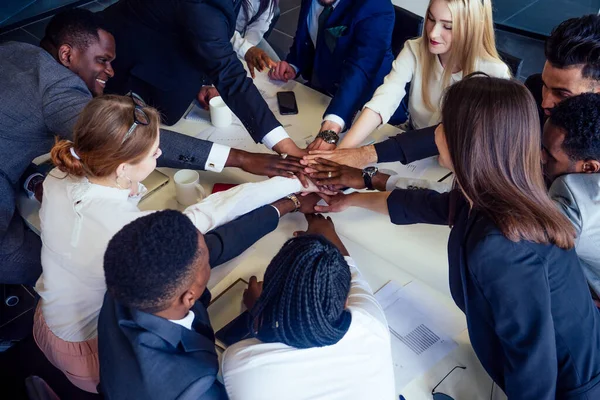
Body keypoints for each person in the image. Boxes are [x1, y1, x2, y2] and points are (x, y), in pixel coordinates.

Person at [312, 76, 600, 399]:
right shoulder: (492, 192)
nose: (436, 133)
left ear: (472, 144)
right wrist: (350, 197)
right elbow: (430, 205)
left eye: (446, 126)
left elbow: (533, 368)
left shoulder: (502, 247)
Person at [32, 94, 319, 393]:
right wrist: (299, 181)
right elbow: (212, 211)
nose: (160, 154)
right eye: (154, 152)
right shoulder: (130, 231)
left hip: (47, 318)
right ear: (122, 168)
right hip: (90, 348)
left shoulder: (58, 175)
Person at [0, 9, 307, 285]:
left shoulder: (15, 49)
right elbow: (204, 219)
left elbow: (12, 126)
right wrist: (245, 162)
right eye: (103, 61)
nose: (109, 72)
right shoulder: (58, 90)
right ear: (66, 55)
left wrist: (29, 177)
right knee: (38, 264)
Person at [303, 14, 600, 170]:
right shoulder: (531, 92)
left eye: (562, 95)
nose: (545, 101)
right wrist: (356, 155)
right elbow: (443, 132)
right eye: (545, 86)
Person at [97, 196, 315, 399]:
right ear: (188, 297)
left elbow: (215, 245)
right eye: (206, 260)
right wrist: (261, 317)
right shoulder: (193, 387)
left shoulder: (131, 279)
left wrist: (288, 204)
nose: (210, 251)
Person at [221, 214, 395, 400]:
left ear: (268, 294)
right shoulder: (369, 321)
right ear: (346, 302)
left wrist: (257, 311)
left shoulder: (243, 363)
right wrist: (325, 234)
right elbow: (350, 268)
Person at [99, 0, 304, 157]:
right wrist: (284, 144)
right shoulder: (204, 7)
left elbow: (209, 39)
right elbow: (229, 73)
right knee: (134, 126)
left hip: (172, 38)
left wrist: (205, 81)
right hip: (127, 44)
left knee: (172, 110)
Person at [335, 0, 509, 149]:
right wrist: (341, 151)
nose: (433, 33)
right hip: (411, 143)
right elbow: (385, 98)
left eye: (448, 26)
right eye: (431, 19)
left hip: (455, 162)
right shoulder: (414, 49)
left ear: (472, 28)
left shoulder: (494, 74)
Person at [268, 0, 395, 150]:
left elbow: (360, 70)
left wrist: (331, 128)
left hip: (368, 110)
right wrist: (294, 65)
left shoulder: (377, 6)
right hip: (321, 97)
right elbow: (308, 37)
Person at [543, 93, 600, 297]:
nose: (539, 157)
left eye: (549, 156)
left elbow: (516, 235)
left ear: (589, 168)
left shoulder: (576, 201)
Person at [233, 0, 278, 78]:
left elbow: (261, 22)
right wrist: (244, 48)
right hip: (218, 35)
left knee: (277, 70)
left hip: (245, 34)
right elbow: (215, 28)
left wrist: (249, 46)